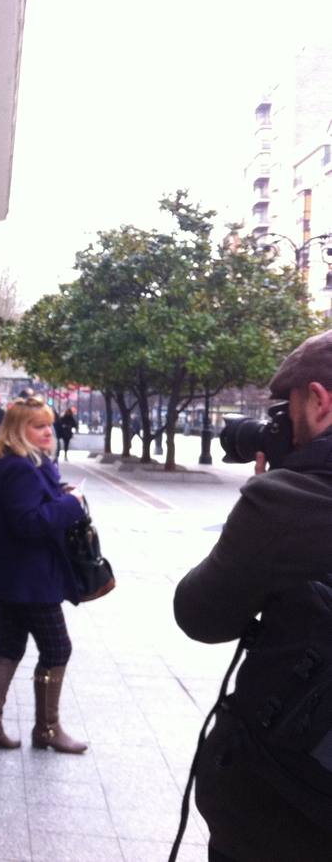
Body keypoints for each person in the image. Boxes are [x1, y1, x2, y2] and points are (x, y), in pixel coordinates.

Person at [174, 330, 332, 860]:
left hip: (288, 805)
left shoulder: (292, 501)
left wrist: (267, 499)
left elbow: (200, 613)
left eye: (286, 409)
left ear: (318, 399)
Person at [0, 396, 88, 753]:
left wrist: (59, 494)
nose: (48, 431)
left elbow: (29, 508)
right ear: (18, 430)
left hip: (10, 572)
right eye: (39, 426)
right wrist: (70, 504)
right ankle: (48, 729)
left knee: (9, 644)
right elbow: (27, 522)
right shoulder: (20, 467)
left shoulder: (18, 462)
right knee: (57, 647)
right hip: (28, 576)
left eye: (49, 425)